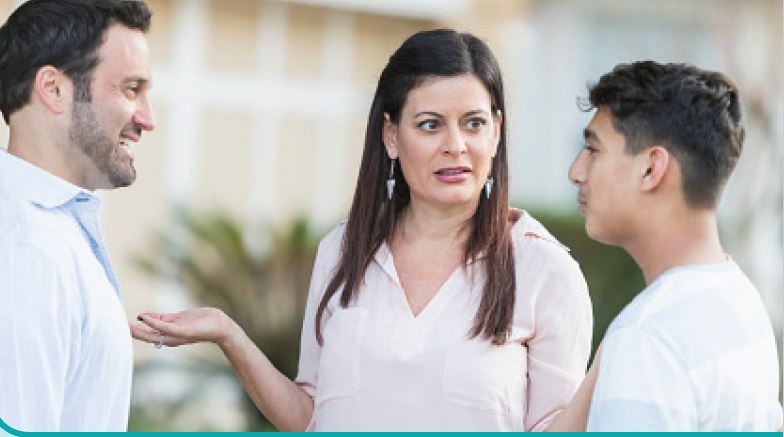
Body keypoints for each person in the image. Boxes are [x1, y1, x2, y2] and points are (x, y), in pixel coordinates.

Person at [134, 29, 593, 431]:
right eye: (430, 125)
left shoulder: (544, 269)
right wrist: (227, 334)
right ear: (391, 136)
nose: (456, 146)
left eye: (473, 123)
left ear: (496, 131)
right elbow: (310, 415)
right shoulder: (343, 249)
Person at [568, 61, 783, 431]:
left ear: (651, 168)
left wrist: (630, 337)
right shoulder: (741, 302)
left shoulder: (648, 336)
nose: (576, 172)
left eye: (593, 149)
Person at [0, 0, 155, 432]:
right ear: (53, 88)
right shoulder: (24, 250)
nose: (148, 118)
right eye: (130, 88)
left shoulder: (50, 231)